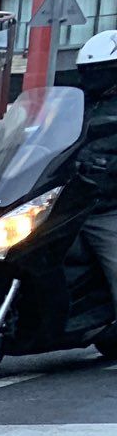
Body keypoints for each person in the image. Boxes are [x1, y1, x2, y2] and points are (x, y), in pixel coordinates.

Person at [75, 30, 117, 306]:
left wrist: (108, 165)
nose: (92, 77)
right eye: (88, 71)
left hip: (107, 205)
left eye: (99, 70)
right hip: (69, 201)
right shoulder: (78, 102)